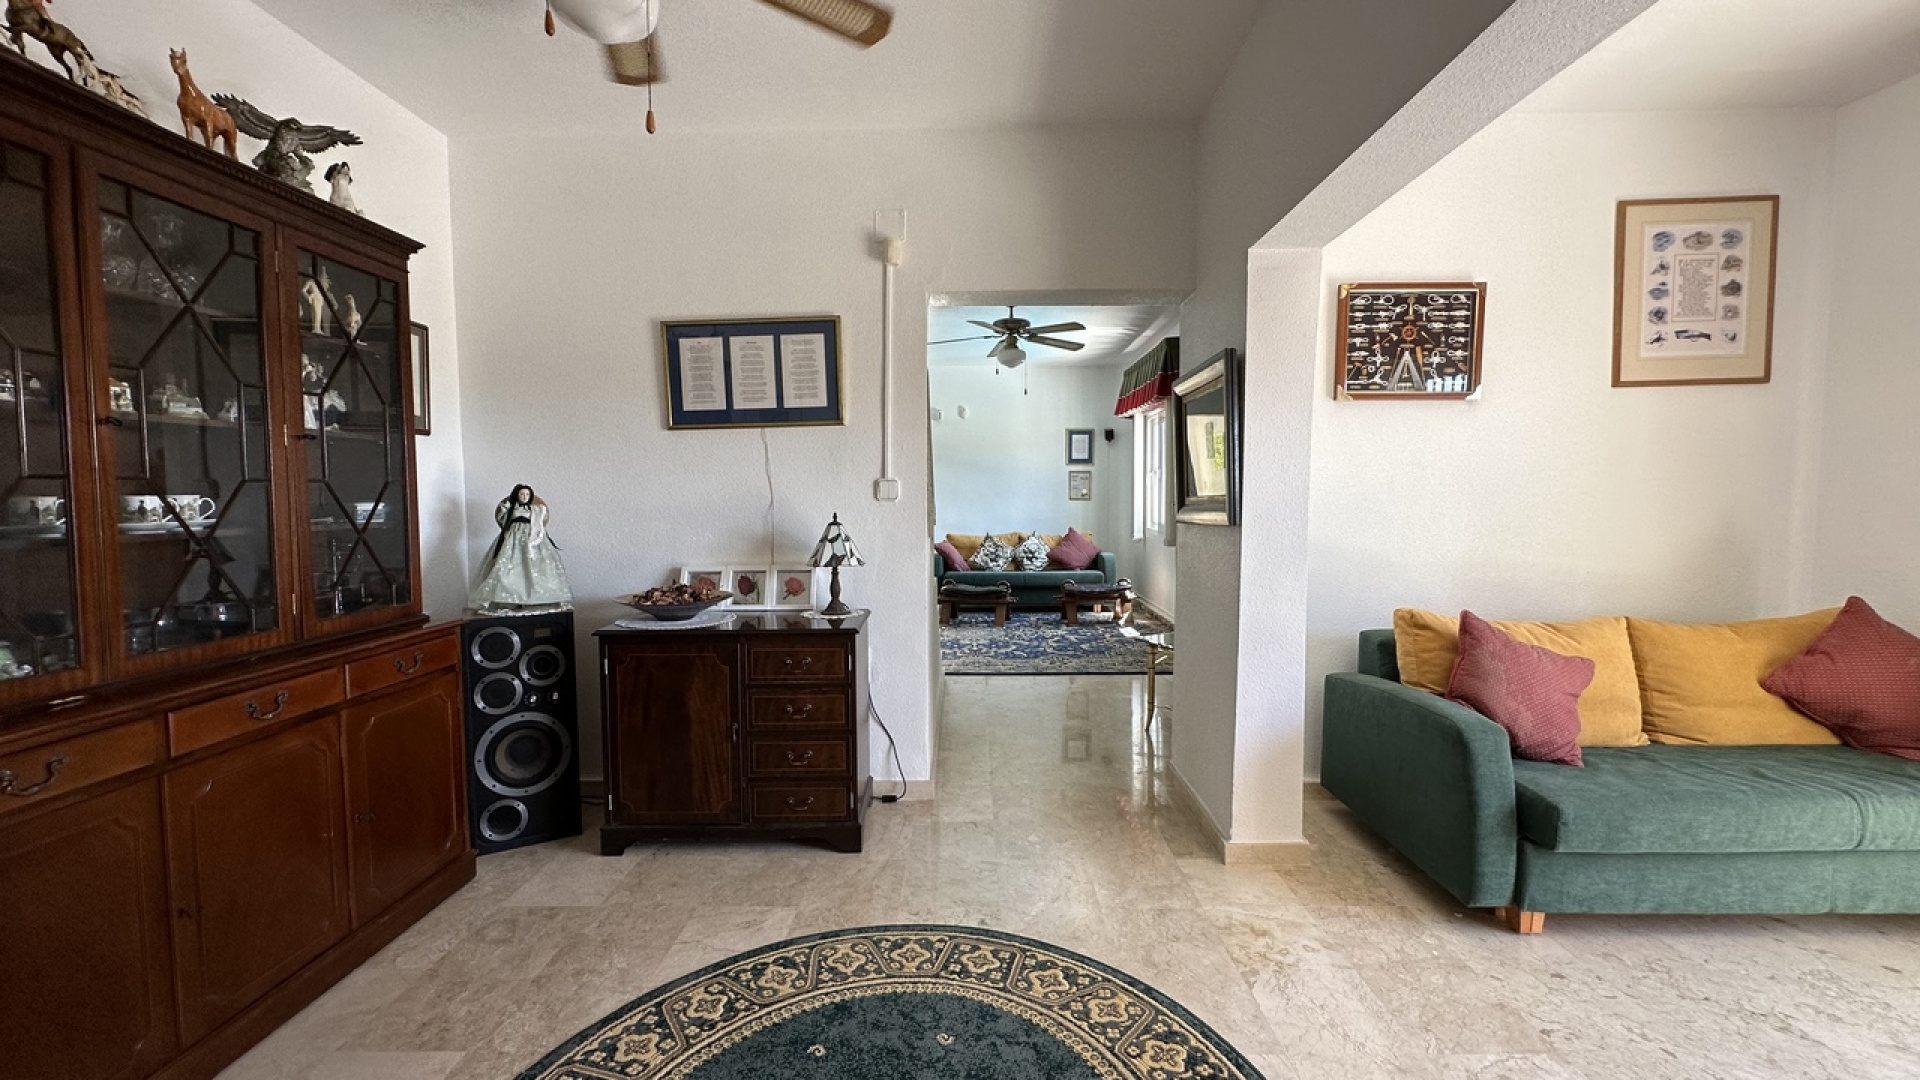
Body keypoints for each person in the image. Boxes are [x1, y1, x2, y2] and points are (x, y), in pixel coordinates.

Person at [469, 484, 571, 610]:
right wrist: (505, 509)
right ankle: (510, 597)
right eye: (522, 494)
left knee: (536, 566)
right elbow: (503, 519)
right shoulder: (512, 508)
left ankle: (536, 597)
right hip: (513, 539)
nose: (524, 496)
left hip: (530, 539)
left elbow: (540, 522)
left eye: (527, 494)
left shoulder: (534, 509)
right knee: (509, 565)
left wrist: (540, 512)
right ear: (517, 495)